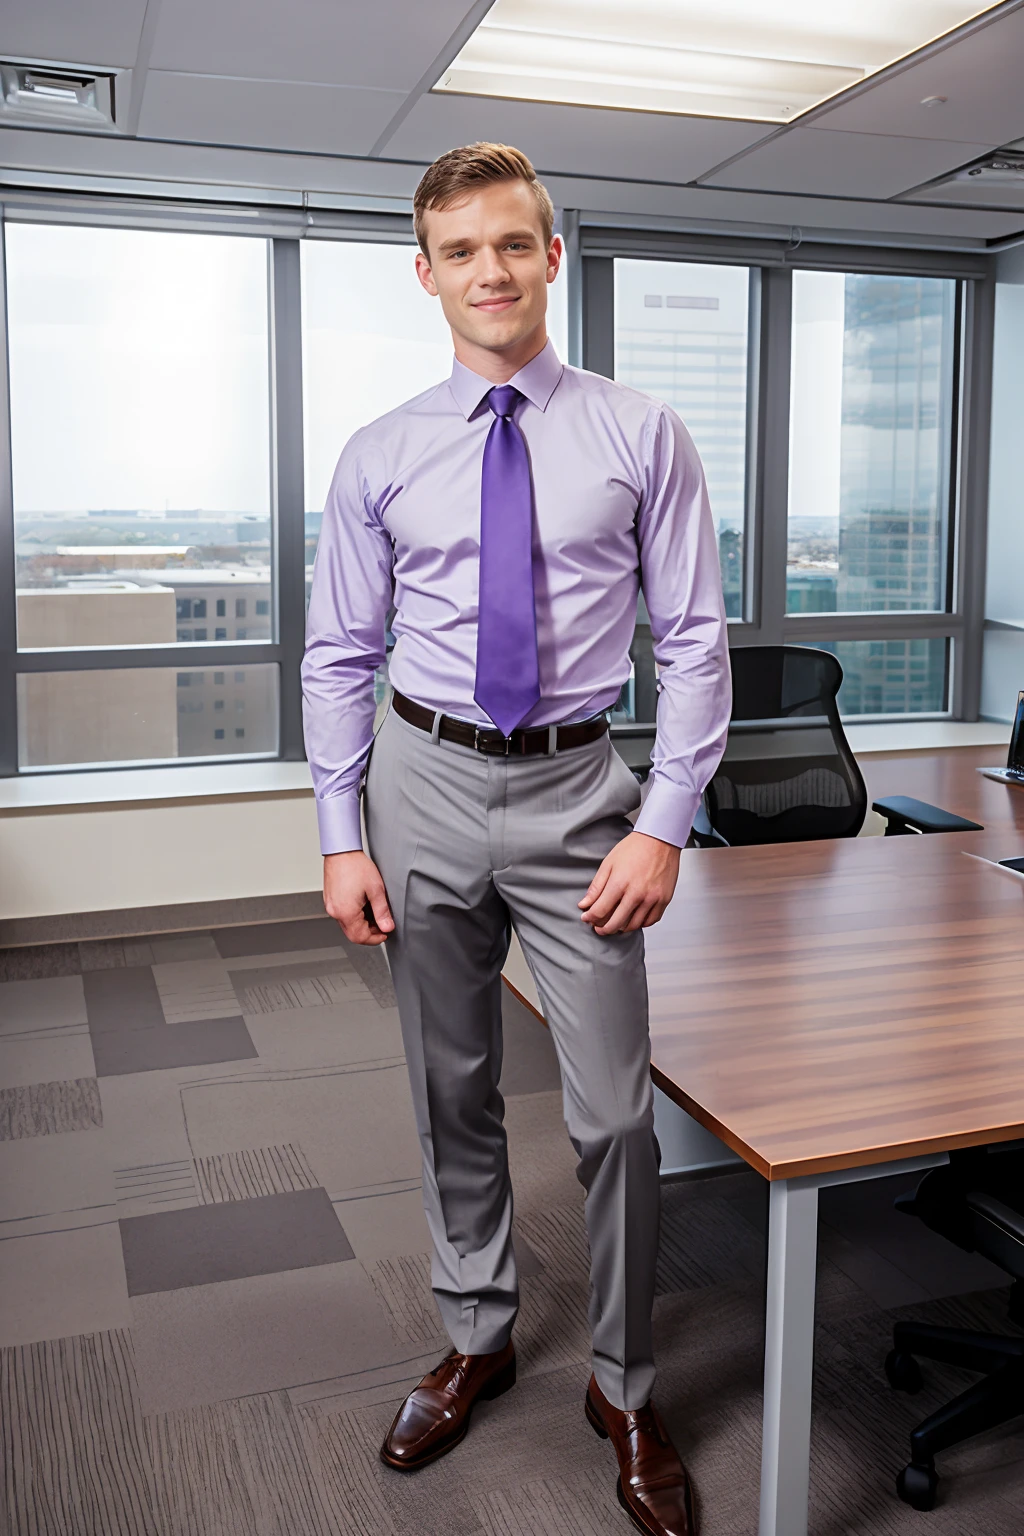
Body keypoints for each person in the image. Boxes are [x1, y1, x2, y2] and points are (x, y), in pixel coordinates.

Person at [302, 141, 731, 1536]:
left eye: (515, 243)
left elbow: (691, 639)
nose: (491, 270)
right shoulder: (379, 453)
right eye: (462, 250)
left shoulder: (639, 431)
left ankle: (623, 1382)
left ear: (554, 257)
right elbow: (339, 654)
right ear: (424, 275)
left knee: (614, 1117)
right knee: (452, 1092)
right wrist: (340, 833)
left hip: (574, 798)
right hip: (421, 786)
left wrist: (664, 820)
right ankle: (478, 1335)